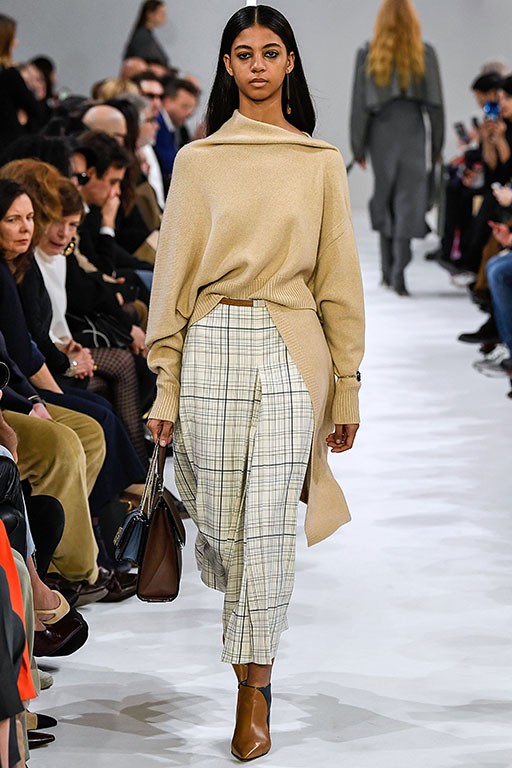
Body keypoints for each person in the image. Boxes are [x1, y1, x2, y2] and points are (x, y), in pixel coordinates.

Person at [145, 4, 365, 761]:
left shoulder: (319, 161)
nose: (260, 65)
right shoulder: (198, 161)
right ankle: (249, 657)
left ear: (290, 62)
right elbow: (172, 280)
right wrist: (165, 384)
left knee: (268, 524)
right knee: (225, 525)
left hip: (292, 344)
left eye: (272, 52)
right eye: (245, 54)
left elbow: (338, 280)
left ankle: (254, 693)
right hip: (210, 339)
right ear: (228, 65)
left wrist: (347, 383)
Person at [350, 0, 444, 295]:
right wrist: (437, 146)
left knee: (385, 196)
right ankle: (399, 270)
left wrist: (358, 146)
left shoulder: (369, 54)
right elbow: (436, 105)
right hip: (413, 131)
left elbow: (359, 105)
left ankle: (386, 270)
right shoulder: (424, 54)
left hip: (382, 131)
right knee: (408, 200)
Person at [0, 13, 42, 150]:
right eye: (12, 38)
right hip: (8, 148)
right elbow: (36, 111)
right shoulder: (8, 76)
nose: (16, 43)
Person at [123, 0, 169, 69]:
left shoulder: (147, 35)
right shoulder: (142, 36)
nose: (164, 17)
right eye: (161, 13)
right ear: (149, 14)